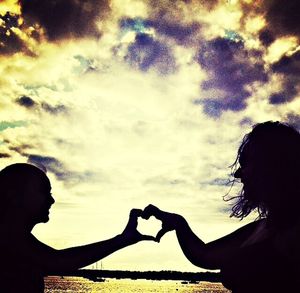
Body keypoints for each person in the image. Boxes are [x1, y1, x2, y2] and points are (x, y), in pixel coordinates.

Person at [142, 121, 300, 292]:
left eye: (246, 163)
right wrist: (179, 223)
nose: (238, 173)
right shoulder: (261, 227)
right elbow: (204, 255)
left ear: (274, 164)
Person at [0, 163, 155, 292]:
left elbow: (57, 260)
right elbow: (59, 262)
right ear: (14, 194)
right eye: (44, 191)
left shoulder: (16, 237)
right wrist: (122, 240)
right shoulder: (6, 237)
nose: (52, 200)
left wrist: (123, 239)